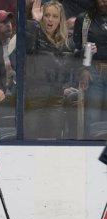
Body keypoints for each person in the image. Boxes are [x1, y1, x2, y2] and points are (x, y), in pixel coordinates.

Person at [24, 0, 75, 139]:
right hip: (33, 97)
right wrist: (34, 21)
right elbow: (27, 51)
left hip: (56, 98)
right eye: (47, 15)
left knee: (54, 141)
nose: (50, 19)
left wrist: (64, 86)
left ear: (60, 19)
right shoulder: (33, 32)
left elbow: (64, 69)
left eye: (55, 16)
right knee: (30, 141)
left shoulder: (65, 42)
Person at [72, 0, 107, 139]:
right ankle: (90, 154)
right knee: (93, 117)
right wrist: (84, 68)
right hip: (93, 71)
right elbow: (75, 49)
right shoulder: (83, 19)